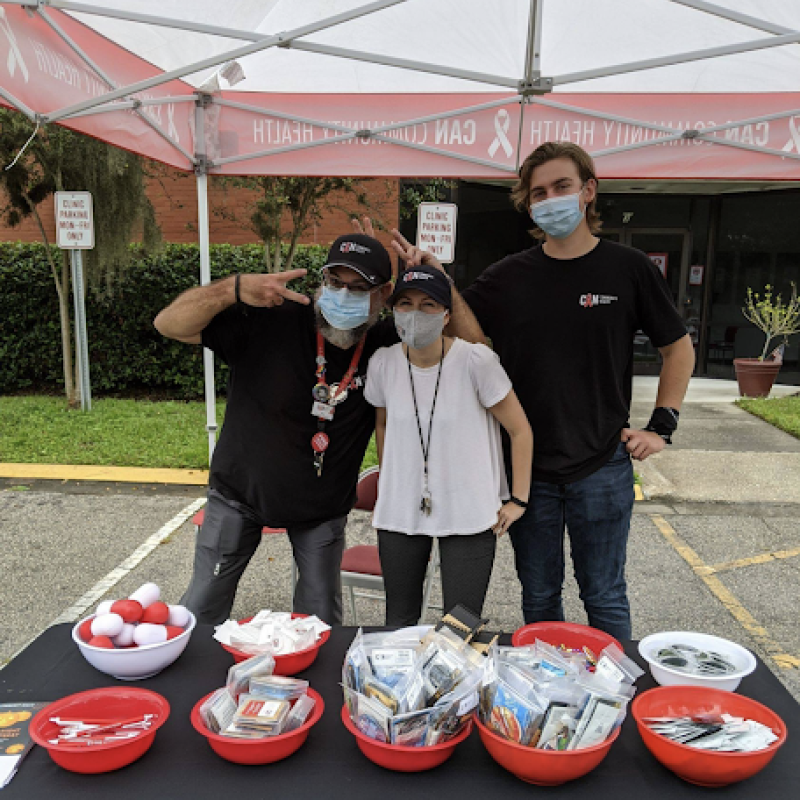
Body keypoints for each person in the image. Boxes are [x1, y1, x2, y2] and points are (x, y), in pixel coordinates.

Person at [389, 142, 695, 640]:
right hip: (529, 473)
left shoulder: (629, 268)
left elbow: (678, 350)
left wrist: (662, 426)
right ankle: (548, 694)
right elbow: (466, 334)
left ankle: (612, 697)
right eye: (538, 193)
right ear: (528, 205)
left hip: (602, 464)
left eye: (561, 186)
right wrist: (438, 281)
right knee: (539, 595)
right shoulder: (510, 276)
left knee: (604, 594)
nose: (550, 198)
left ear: (588, 191)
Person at [153, 233, 399, 626]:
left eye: (358, 288)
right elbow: (167, 323)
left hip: (322, 510)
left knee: (319, 625)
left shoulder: (386, 346)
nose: (343, 296)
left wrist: (432, 279)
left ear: (383, 294)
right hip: (238, 494)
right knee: (199, 610)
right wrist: (231, 289)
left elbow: (468, 345)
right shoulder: (274, 318)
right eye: (335, 283)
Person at [364, 265, 533, 625]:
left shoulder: (475, 362)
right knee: (400, 623)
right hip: (400, 512)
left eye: (428, 305)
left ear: (446, 316)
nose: (415, 313)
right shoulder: (383, 363)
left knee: (460, 627)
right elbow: (383, 423)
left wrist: (517, 499)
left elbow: (520, 431)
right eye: (405, 303)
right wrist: (394, 481)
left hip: (468, 509)